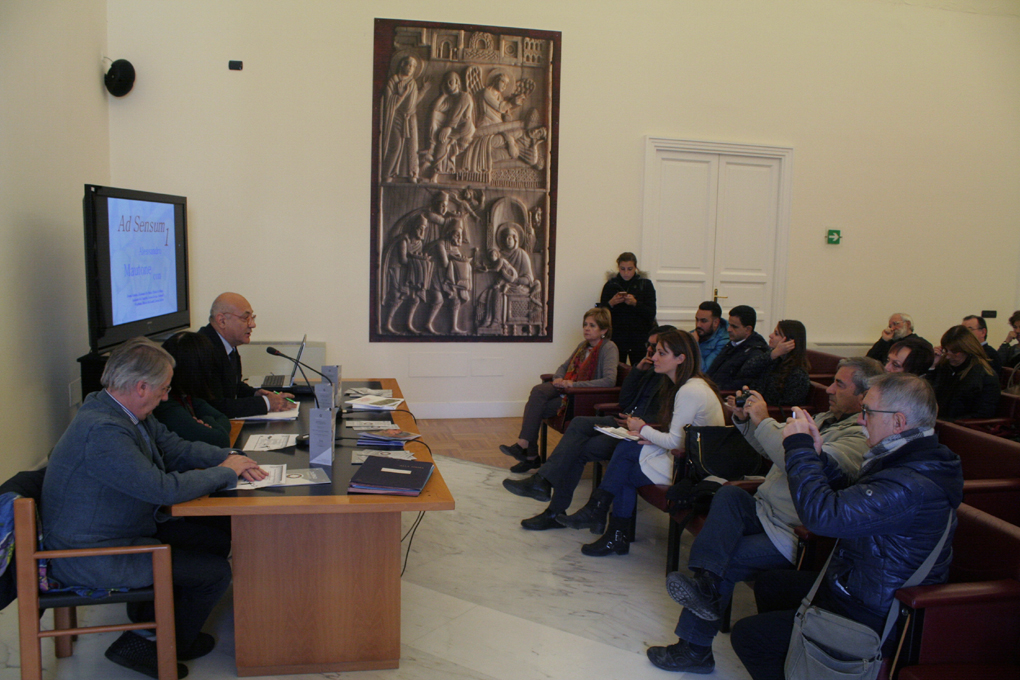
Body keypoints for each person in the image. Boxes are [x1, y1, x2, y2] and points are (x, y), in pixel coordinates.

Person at [41, 337, 266, 678]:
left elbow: (174, 447)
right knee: (214, 575)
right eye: (163, 389)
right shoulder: (104, 432)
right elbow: (161, 489)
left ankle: (156, 619)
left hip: (123, 529)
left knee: (216, 539)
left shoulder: (119, 409)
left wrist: (229, 457)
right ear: (142, 387)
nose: (166, 397)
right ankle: (147, 644)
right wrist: (224, 474)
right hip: (92, 554)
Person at [645, 357, 880, 673]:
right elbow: (771, 446)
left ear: (864, 396)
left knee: (724, 563)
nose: (829, 390)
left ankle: (694, 648)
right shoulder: (828, 418)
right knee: (728, 494)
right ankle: (705, 583)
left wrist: (765, 419)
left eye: (840, 384)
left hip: (791, 530)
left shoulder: (858, 437)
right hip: (764, 509)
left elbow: (798, 460)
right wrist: (745, 420)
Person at [730, 373, 963, 680]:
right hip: (864, 583)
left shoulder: (910, 484)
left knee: (749, 637)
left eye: (868, 412)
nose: (862, 420)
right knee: (773, 584)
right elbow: (857, 495)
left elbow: (824, 517)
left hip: (876, 610)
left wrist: (798, 448)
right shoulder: (911, 458)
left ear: (898, 422)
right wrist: (817, 455)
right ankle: (801, 665)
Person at [558, 329, 724, 556]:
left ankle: (604, 520)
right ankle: (606, 523)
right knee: (628, 452)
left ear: (680, 358)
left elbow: (676, 441)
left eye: (661, 353)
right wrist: (643, 433)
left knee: (625, 461)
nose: (654, 357)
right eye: (655, 352)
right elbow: (678, 438)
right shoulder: (685, 385)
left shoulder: (690, 391)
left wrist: (642, 428)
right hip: (685, 457)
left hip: (692, 468)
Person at [502, 325, 676, 530]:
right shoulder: (651, 370)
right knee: (578, 424)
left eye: (657, 349)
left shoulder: (673, 379)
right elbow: (625, 399)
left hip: (642, 433)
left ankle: (551, 504)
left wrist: (640, 424)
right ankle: (542, 483)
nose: (651, 353)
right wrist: (638, 371)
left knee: (579, 447)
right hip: (627, 422)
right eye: (650, 347)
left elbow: (666, 421)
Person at [499, 308, 619, 471]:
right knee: (538, 391)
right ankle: (525, 447)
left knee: (537, 407)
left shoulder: (609, 348)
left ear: (604, 330)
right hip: (567, 390)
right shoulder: (582, 346)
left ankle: (529, 454)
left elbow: (609, 381)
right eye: (585, 324)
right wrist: (558, 378)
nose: (587, 328)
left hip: (582, 398)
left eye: (592, 325)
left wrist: (573, 385)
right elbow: (563, 367)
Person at [197, 292, 296, 417]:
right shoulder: (202, 350)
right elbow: (216, 406)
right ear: (222, 321)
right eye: (245, 318)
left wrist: (256, 394)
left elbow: (233, 385)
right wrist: (267, 403)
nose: (252, 324)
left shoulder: (227, 344)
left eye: (252, 318)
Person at [154, 331, 231, 446]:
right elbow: (220, 440)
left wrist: (205, 420)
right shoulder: (165, 404)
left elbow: (222, 418)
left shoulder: (185, 395)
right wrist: (209, 421)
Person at [927, 325, 1000, 420]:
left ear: (967, 350)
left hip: (958, 426)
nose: (948, 356)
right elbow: (927, 395)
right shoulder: (945, 366)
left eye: (954, 352)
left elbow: (982, 414)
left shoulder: (983, 375)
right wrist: (932, 367)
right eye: (946, 350)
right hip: (939, 421)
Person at [599, 252, 658, 365]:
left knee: (640, 370)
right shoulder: (610, 285)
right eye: (623, 269)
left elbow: (651, 312)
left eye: (630, 269)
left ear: (636, 267)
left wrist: (636, 303)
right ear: (618, 268)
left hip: (639, 337)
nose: (626, 273)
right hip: (617, 337)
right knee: (616, 371)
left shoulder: (645, 285)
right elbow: (600, 314)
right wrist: (611, 303)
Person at [742, 320, 811, 406]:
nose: (770, 336)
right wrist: (772, 354)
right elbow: (745, 370)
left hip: (772, 415)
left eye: (776, 334)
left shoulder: (797, 374)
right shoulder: (773, 358)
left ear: (789, 341)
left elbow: (786, 407)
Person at [704, 305, 769, 390]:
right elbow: (712, 372)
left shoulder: (756, 353)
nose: (729, 329)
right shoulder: (731, 344)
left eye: (734, 326)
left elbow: (740, 385)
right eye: (729, 325)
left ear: (748, 329)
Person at [692, 301, 729, 372]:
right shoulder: (696, 333)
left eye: (703, 321)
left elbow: (704, 372)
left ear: (716, 322)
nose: (698, 325)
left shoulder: (724, 342)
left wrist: (694, 345)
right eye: (697, 320)